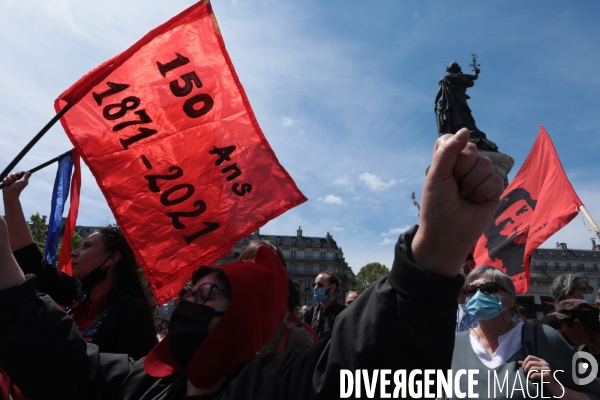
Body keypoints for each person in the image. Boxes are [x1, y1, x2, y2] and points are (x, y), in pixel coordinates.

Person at [0, 128, 506, 398]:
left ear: (244, 317)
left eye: (212, 292)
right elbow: (58, 359)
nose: (191, 300)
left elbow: (367, 368)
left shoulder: (274, 385)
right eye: (195, 291)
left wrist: (436, 249)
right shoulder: (145, 384)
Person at [1, 171, 157, 358]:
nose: (74, 252)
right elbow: (32, 263)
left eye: (87, 246)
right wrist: (11, 197)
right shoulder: (80, 296)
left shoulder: (131, 313)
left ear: (112, 258)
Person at [443, 265, 600, 399]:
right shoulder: (454, 345)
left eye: (488, 289)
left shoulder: (543, 337)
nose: (478, 295)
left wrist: (555, 388)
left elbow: (594, 394)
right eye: (470, 290)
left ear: (511, 299)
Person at [552, 299, 600, 378]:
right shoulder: (578, 352)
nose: (561, 330)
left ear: (577, 325)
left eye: (562, 325)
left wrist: (555, 387)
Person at [303, 271, 346, 340]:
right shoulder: (310, 312)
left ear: (332, 287)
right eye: (314, 285)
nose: (315, 288)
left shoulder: (343, 312)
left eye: (320, 285)